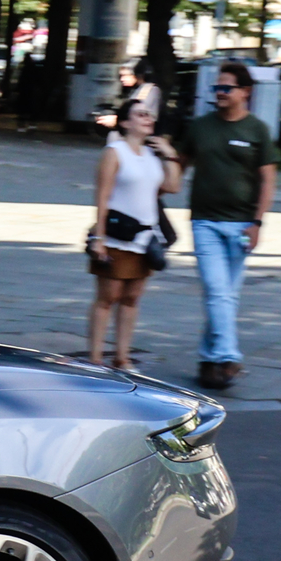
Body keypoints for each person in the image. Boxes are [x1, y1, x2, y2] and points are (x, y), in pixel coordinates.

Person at [177, 59, 279, 389]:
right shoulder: (201, 126)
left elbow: (267, 180)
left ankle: (209, 363)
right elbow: (179, 164)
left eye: (226, 88)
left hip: (241, 226)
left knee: (225, 297)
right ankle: (228, 356)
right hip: (205, 222)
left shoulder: (257, 130)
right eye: (216, 88)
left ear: (244, 92)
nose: (219, 93)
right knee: (217, 291)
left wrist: (257, 223)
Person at [85, 98, 180, 370]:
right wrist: (99, 237)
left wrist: (169, 153)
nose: (147, 119)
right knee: (108, 297)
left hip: (145, 238)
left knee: (132, 298)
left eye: (149, 115)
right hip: (116, 235)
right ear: (125, 122)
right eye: (140, 115)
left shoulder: (152, 155)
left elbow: (172, 187)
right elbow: (102, 196)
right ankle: (95, 358)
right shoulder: (115, 152)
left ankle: (122, 356)